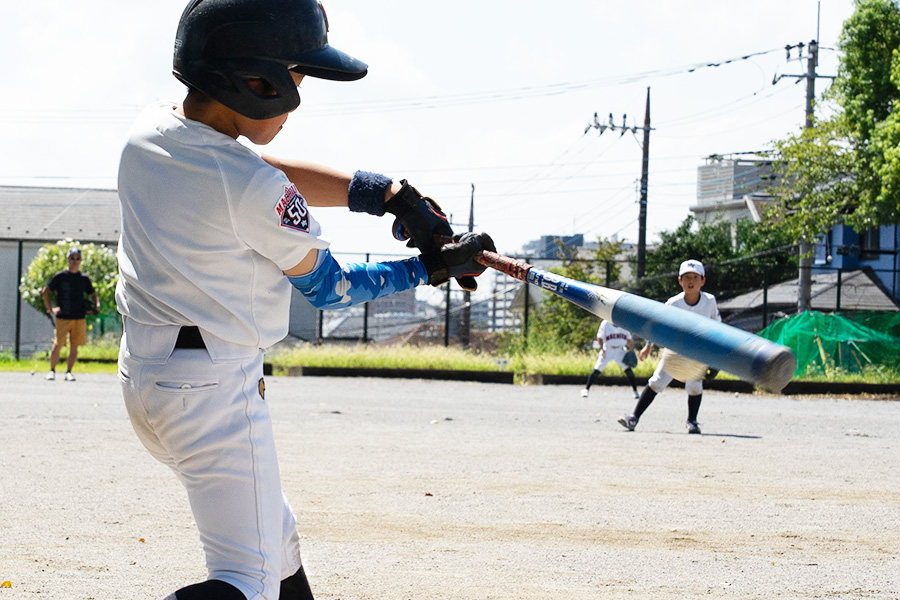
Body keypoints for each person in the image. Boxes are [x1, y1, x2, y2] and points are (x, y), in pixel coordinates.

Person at [115, 1, 493, 599]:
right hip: (211, 390)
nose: (300, 91)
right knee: (248, 583)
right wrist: (429, 267)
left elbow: (250, 166)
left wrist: (386, 195)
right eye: (295, 73)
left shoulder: (151, 129)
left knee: (277, 543)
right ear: (254, 80)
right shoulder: (250, 189)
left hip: (149, 376)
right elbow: (333, 287)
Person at [617, 259, 721, 435]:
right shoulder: (673, 303)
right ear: (680, 281)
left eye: (695, 277)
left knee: (695, 387)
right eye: (686, 277)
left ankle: (692, 421)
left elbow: (717, 327)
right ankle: (633, 417)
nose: (691, 281)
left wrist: (715, 357)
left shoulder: (709, 301)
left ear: (702, 281)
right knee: (656, 382)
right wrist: (648, 346)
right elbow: (658, 324)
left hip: (696, 352)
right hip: (675, 351)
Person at [42, 247, 100, 381]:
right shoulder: (61, 276)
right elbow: (45, 291)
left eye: (77, 258)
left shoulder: (83, 278)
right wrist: (50, 309)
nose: (75, 261)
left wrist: (96, 304)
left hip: (79, 317)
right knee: (58, 345)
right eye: (72, 258)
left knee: (74, 346)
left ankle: (69, 372)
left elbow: (93, 294)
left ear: (80, 260)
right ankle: (52, 371)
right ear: (68, 259)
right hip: (63, 317)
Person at [580, 319, 640, 399]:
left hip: (620, 350)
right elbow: (599, 337)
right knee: (597, 369)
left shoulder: (624, 323)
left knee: (628, 371)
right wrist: (602, 349)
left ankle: (635, 391)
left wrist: (631, 349)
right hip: (608, 349)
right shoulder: (605, 323)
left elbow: (628, 339)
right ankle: (586, 389)